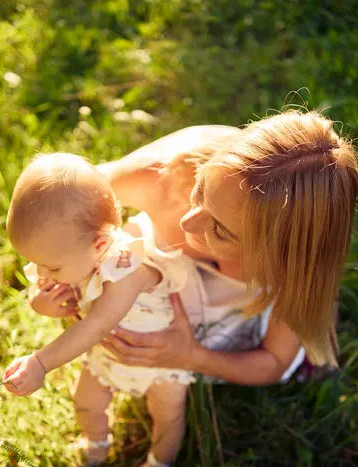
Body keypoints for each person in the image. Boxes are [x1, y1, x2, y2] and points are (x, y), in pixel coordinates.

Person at [30, 111, 358, 386]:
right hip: (160, 285)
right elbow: (59, 208)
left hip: (234, 325)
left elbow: (272, 363)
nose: (188, 222)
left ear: (278, 252)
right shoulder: (163, 177)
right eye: (200, 192)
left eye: (220, 230)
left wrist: (188, 355)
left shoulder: (292, 269)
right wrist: (49, 282)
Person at [3, 153, 195, 467]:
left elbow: (97, 322)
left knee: (167, 413)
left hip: (158, 355)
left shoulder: (128, 266)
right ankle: (94, 447)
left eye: (50, 267)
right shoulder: (65, 256)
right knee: (86, 400)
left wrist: (42, 363)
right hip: (108, 352)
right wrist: (44, 303)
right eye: (36, 264)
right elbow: (43, 299)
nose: (42, 273)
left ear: (101, 246)